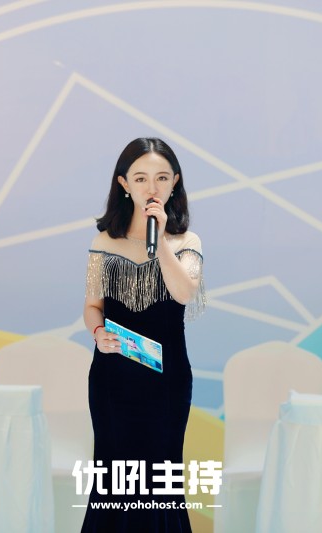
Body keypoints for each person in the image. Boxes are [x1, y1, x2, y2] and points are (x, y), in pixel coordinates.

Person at [82, 138, 205, 532]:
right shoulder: (104, 242)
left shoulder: (187, 243)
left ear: (175, 182)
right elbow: (92, 306)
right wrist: (98, 332)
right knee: (114, 479)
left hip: (166, 383)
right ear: (124, 184)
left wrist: (162, 241)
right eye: (140, 178)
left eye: (161, 178)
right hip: (112, 379)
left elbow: (184, 293)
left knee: (158, 480)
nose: (151, 187)